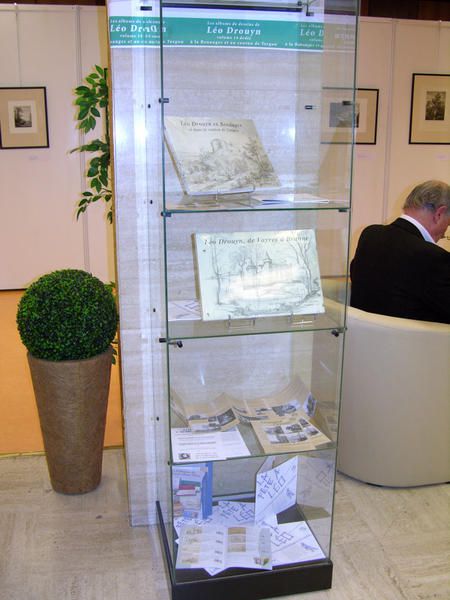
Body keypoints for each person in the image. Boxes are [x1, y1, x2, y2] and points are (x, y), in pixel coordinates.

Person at [350, 180, 450, 324]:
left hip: (362, 338)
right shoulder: (433, 256)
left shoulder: (370, 234)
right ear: (439, 214)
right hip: (418, 344)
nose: (445, 231)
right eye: (448, 223)